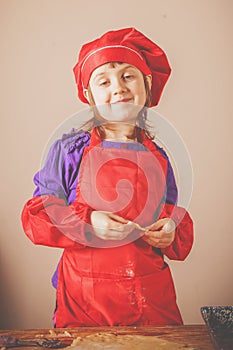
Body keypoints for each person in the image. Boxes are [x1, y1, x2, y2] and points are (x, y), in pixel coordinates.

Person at [21, 27, 194, 328]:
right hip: (86, 302)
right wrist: (87, 221)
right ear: (89, 95)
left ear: (147, 83)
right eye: (104, 81)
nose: (118, 88)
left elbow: (171, 216)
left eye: (128, 76)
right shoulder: (70, 150)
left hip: (150, 300)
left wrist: (169, 231)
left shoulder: (159, 157)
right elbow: (36, 218)